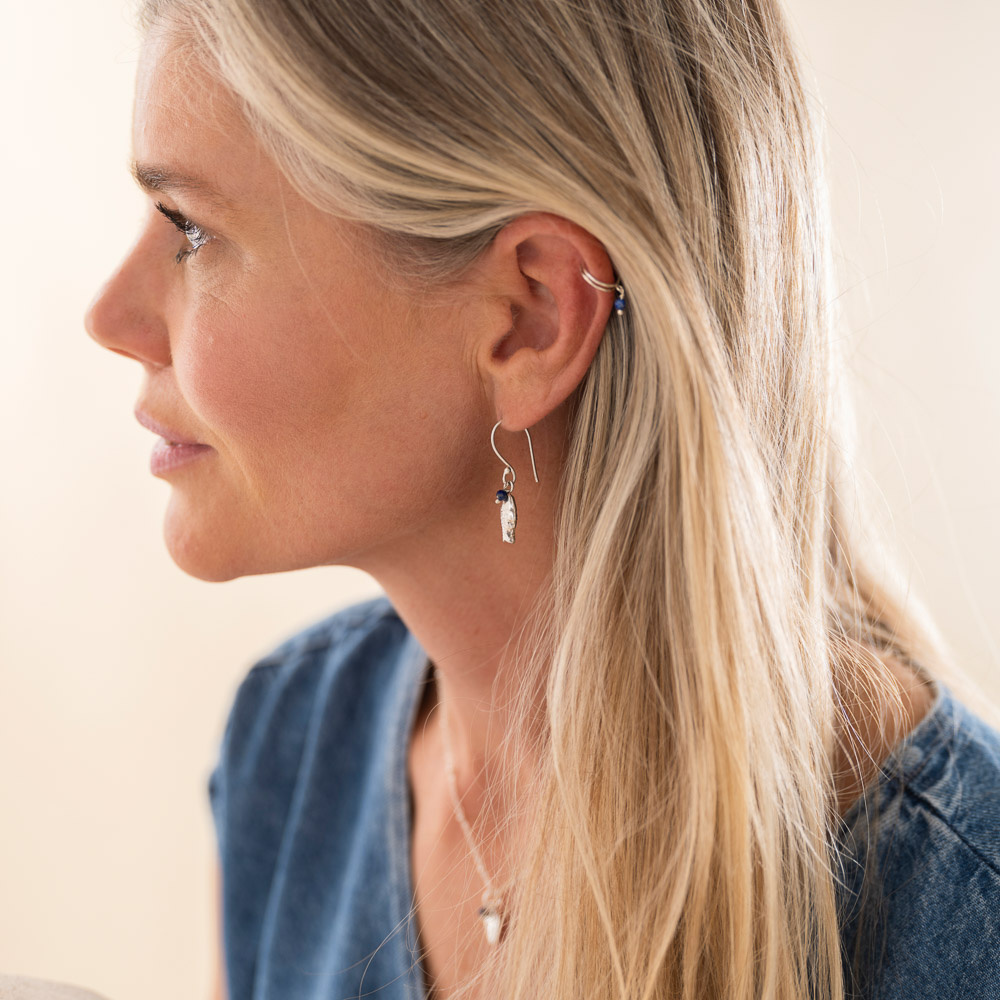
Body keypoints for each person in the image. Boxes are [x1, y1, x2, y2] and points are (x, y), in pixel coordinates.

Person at [84, 0, 1000, 998]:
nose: (108, 315)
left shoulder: (967, 915)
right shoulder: (290, 749)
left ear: (531, 318)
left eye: (190, 229)